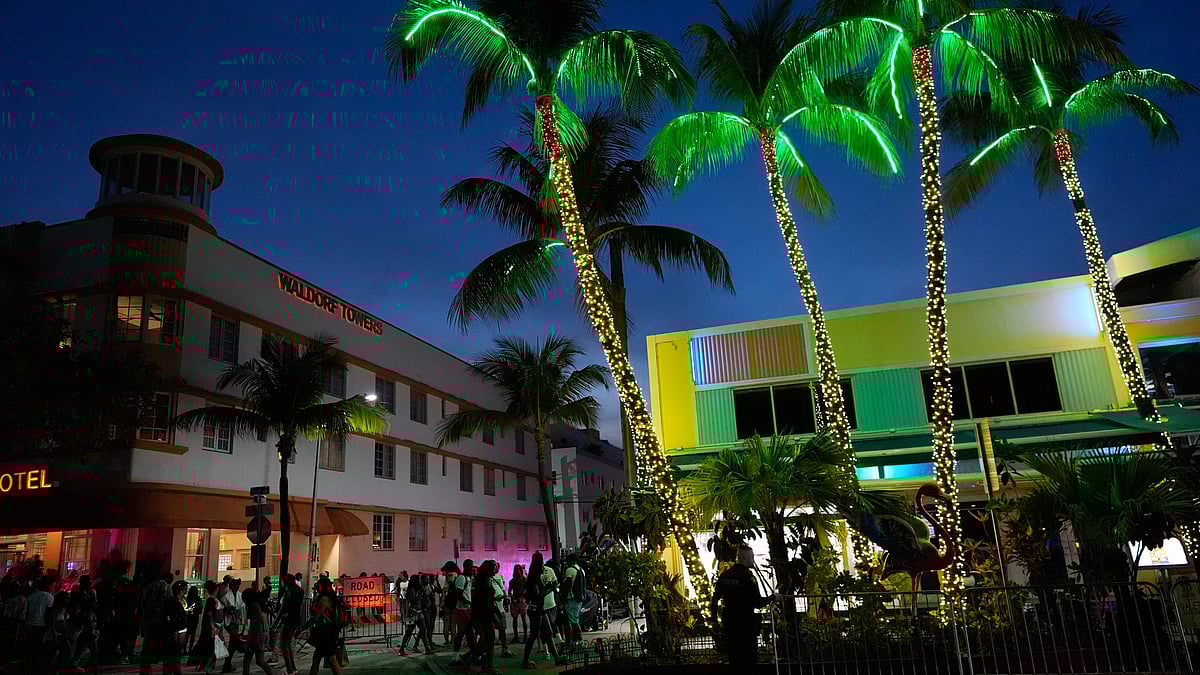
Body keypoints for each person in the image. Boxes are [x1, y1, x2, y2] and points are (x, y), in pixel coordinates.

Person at [711, 546, 774, 668]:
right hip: (746, 625)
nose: (753, 560)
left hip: (730, 623)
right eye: (752, 556)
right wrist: (773, 598)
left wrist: (714, 620)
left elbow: (715, 599)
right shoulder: (748, 577)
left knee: (734, 658)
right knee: (748, 659)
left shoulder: (725, 576)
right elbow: (758, 602)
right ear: (745, 557)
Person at [521, 552, 561, 669]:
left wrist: (549, 587)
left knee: (548, 634)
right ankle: (525, 661)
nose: (543, 567)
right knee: (534, 635)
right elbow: (537, 596)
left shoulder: (535, 577)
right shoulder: (533, 578)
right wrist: (550, 589)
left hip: (539, 609)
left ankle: (557, 658)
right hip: (536, 610)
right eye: (542, 564)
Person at [140, 571, 176, 675]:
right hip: (160, 624)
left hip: (148, 622)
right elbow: (170, 604)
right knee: (166, 652)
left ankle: (145, 671)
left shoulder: (148, 587)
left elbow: (143, 604)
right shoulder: (166, 587)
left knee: (147, 650)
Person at [299, 593, 344, 675]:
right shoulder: (329, 599)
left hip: (326, 634)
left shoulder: (324, 599)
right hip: (328, 634)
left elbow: (315, 618)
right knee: (319, 658)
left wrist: (301, 629)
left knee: (330, 659)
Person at [189, 580, 226, 675]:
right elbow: (209, 615)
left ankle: (207, 666)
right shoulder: (211, 600)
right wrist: (213, 628)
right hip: (213, 627)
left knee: (213, 647)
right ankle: (207, 666)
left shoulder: (215, 600)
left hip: (215, 626)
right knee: (211, 648)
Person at [240, 588, 275, 675]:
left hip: (256, 635)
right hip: (261, 635)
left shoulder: (253, 606)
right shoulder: (258, 604)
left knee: (247, 660)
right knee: (259, 661)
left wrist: (248, 635)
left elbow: (254, 622)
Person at [24, 576, 55, 673]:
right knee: (39, 647)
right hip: (41, 625)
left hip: (29, 624)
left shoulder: (31, 596)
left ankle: (29, 667)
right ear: (47, 585)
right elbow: (49, 614)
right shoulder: (49, 597)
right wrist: (51, 628)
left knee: (30, 647)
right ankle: (36, 668)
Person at [397, 574, 434, 656]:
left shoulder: (418, 589)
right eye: (419, 579)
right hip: (413, 612)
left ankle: (427, 649)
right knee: (409, 632)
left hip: (418, 612)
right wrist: (420, 595)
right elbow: (414, 600)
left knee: (423, 629)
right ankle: (402, 649)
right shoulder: (411, 590)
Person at [70, 575, 101, 673]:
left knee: (88, 647)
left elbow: (94, 606)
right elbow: (77, 607)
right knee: (82, 647)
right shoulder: (77, 593)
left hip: (89, 622)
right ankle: (74, 666)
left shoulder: (92, 592)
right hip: (82, 622)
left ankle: (93, 669)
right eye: (88, 581)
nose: (90, 583)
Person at [450, 560, 476, 655]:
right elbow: (459, 595)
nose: (472, 569)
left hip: (467, 609)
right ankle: (455, 655)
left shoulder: (468, 578)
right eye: (471, 567)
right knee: (461, 633)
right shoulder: (461, 578)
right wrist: (469, 602)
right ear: (466, 567)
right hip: (462, 610)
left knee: (469, 634)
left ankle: (473, 654)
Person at [220, 578, 245, 673]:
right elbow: (224, 608)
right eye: (235, 585)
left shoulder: (240, 595)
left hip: (236, 622)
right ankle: (240, 646)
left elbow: (242, 608)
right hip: (229, 622)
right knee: (235, 639)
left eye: (238, 585)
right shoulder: (227, 596)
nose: (237, 587)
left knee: (232, 645)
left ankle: (227, 665)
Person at [561, 553, 586, 645]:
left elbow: (567, 586)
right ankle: (577, 641)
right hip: (579, 599)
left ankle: (578, 641)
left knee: (572, 622)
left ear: (571, 560)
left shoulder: (570, 570)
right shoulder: (581, 569)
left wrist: (563, 599)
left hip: (572, 599)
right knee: (575, 620)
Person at [488, 561, 510, 658]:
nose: (495, 569)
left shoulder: (500, 577)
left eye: (496, 567)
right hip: (493, 608)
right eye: (494, 567)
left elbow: (503, 588)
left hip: (500, 607)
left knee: (502, 629)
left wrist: (505, 598)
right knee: (491, 631)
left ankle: (504, 649)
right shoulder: (487, 578)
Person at [508, 565, 528, 643]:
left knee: (523, 619)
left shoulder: (524, 579)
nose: (518, 571)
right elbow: (510, 592)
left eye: (519, 569)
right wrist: (513, 598)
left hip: (522, 600)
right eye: (517, 569)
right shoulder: (512, 581)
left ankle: (525, 637)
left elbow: (527, 589)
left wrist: (525, 597)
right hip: (515, 601)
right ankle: (516, 637)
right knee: (515, 619)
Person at [439, 563, 457, 646]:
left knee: (446, 625)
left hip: (446, 607)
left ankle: (446, 641)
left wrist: (441, 606)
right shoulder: (455, 588)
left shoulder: (445, 588)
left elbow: (442, 598)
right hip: (454, 607)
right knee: (453, 626)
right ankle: (453, 641)